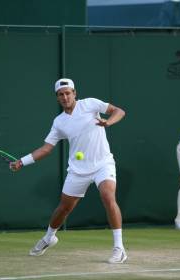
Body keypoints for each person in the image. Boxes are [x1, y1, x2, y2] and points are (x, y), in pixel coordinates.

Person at [10, 78, 127, 263]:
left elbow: (119, 111)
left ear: (74, 93)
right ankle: (49, 238)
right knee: (64, 208)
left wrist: (108, 122)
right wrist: (22, 162)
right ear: (57, 98)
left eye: (68, 93)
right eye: (61, 94)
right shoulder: (59, 122)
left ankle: (119, 248)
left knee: (107, 196)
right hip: (78, 170)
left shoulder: (90, 104)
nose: (65, 97)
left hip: (103, 164)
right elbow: (46, 148)